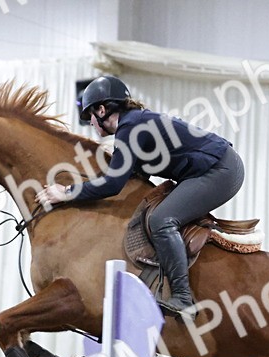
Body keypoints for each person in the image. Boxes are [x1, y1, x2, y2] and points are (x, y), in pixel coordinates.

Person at [36, 76, 245, 318]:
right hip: (214, 167)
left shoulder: (130, 126)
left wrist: (67, 192)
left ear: (102, 110)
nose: (91, 123)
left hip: (221, 170)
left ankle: (183, 298)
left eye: (90, 117)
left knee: (162, 219)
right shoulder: (133, 124)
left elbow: (113, 183)